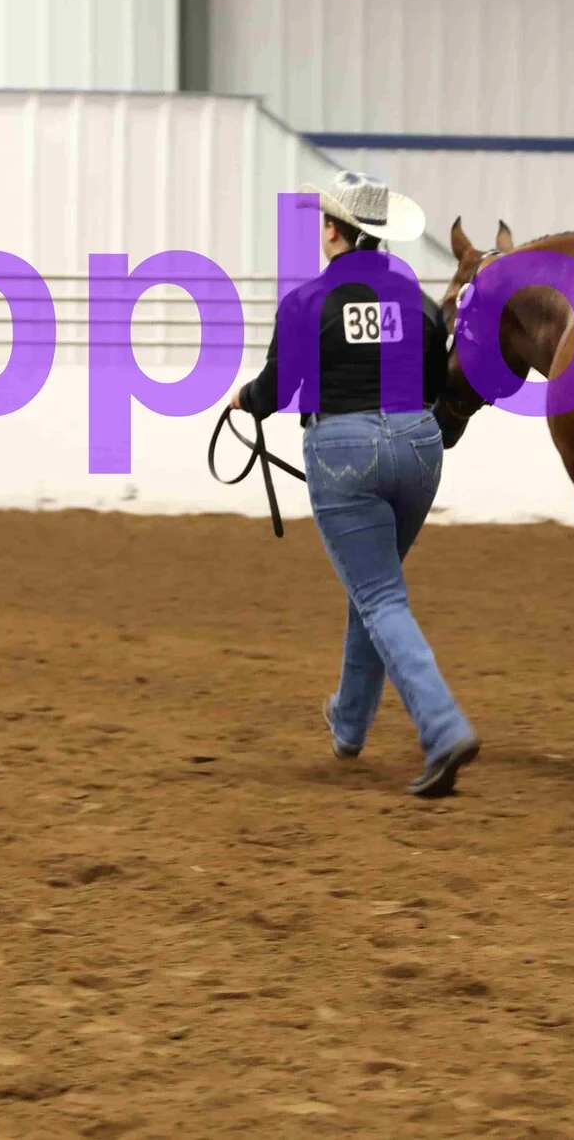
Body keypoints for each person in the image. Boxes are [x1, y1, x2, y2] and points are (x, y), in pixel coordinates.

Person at [233, 171, 481, 798]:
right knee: (374, 587)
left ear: (333, 233)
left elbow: (276, 390)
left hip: (345, 451)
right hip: (419, 447)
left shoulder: (307, 302)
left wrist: (243, 399)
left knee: (379, 596)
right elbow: (437, 387)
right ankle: (349, 723)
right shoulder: (419, 303)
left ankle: (444, 728)